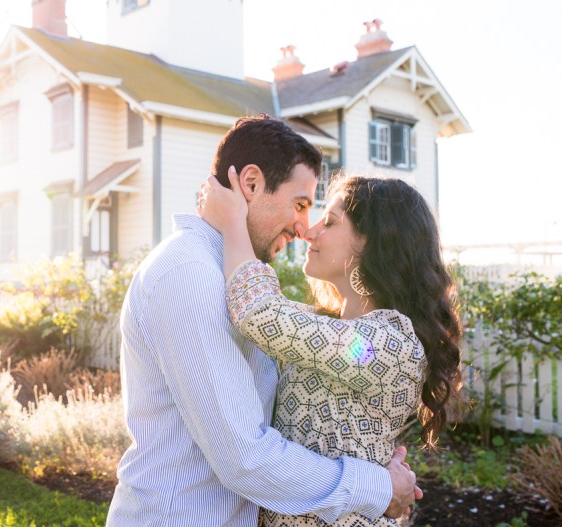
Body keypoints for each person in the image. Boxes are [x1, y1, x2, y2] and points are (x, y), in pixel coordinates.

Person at [106, 115, 419, 527]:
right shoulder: (190, 276)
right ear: (251, 184)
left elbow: (304, 333)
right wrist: (377, 487)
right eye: (301, 204)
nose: (304, 227)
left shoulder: (233, 278)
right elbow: (244, 457)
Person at [197, 168, 462, 526]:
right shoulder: (330, 329)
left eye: (331, 222)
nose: (309, 231)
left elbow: (259, 311)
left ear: (373, 243)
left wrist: (233, 221)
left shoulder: (389, 344)